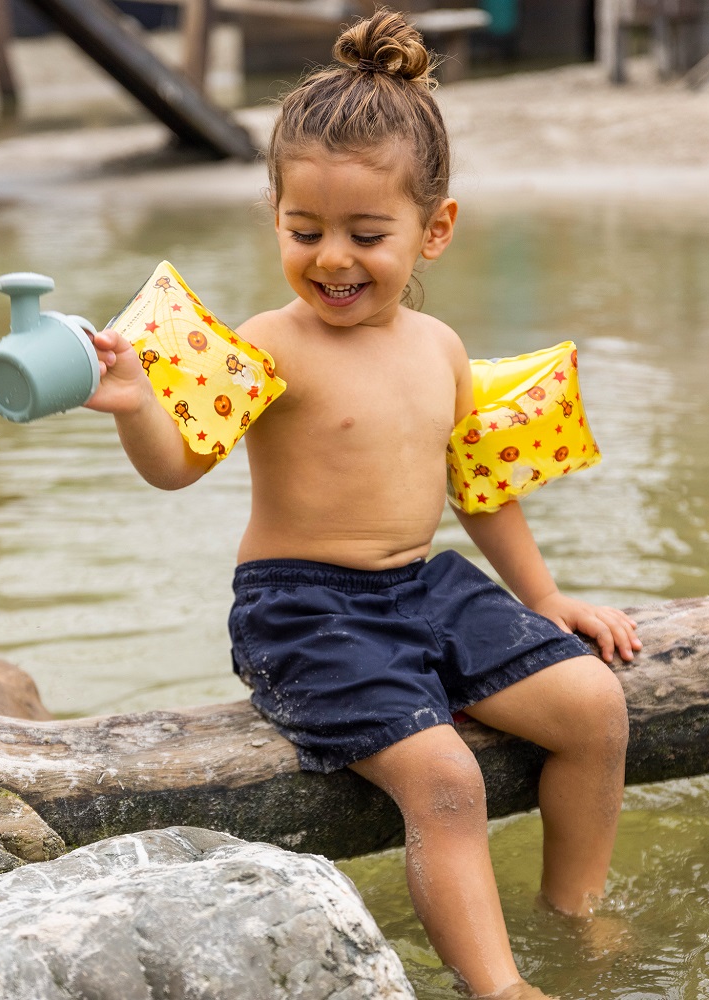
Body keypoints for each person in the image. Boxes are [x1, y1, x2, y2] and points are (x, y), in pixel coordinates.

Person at [85, 9, 640, 997]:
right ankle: (500, 985)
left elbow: (480, 490)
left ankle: (575, 914)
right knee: (446, 779)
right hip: (301, 608)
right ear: (276, 217)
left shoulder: (441, 349)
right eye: (304, 231)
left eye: (366, 235)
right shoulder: (272, 341)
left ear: (435, 230)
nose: (332, 258)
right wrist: (135, 404)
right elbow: (176, 469)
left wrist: (547, 600)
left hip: (425, 587)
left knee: (596, 707)